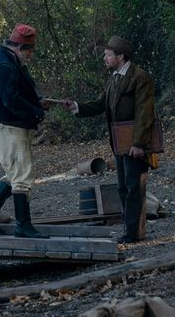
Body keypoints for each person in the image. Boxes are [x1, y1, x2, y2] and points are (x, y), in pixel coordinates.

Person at [58, 36, 158, 244]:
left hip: (134, 143)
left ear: (120, 57)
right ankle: (130, 230)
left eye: (108, 55)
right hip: (119, 143)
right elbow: (99, 104)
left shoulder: (140, 77)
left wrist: (138, 144)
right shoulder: (114, 78)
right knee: (124, 187)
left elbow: (145, 112)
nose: (104, 58)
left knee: (133, 187)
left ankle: (133, 233)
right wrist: (76, 106)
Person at [0, 24, 54, 238]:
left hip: (10, 126)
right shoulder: (5, 66)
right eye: (29, 51)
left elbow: (18, 94)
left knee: (15, 174)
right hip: (9, 127)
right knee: (23, 176)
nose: (30, 55)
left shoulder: (10, 63)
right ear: (18, 47)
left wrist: (37, 102)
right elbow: (11, 100)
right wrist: (36, 112)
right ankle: (23, 226)